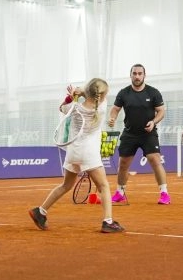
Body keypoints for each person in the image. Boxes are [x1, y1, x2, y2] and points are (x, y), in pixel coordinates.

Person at [29, 78, 125, 233]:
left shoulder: (73, 107)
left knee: (66, 185)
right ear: (100, 95)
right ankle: (108, 221)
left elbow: (62, 107)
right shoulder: (101, 107)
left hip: (73, 152)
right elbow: (97, 95)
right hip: (89, 153)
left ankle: (40, 211)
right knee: (103, 186)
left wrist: (73, 95)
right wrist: (81, 91)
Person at [108, 64, 170, 205]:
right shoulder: (124, 93)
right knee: (123, 164)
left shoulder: (153, 92)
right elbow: (115, 109)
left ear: (144, 75)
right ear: (130, 75)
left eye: (139, 73)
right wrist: (112, 118)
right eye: (134, 73)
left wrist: (153, 122)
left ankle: (164, 193)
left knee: (154, 159)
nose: (137, 76)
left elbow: (161, 111)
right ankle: (120, 193)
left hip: (148, 133)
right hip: (129, 133)